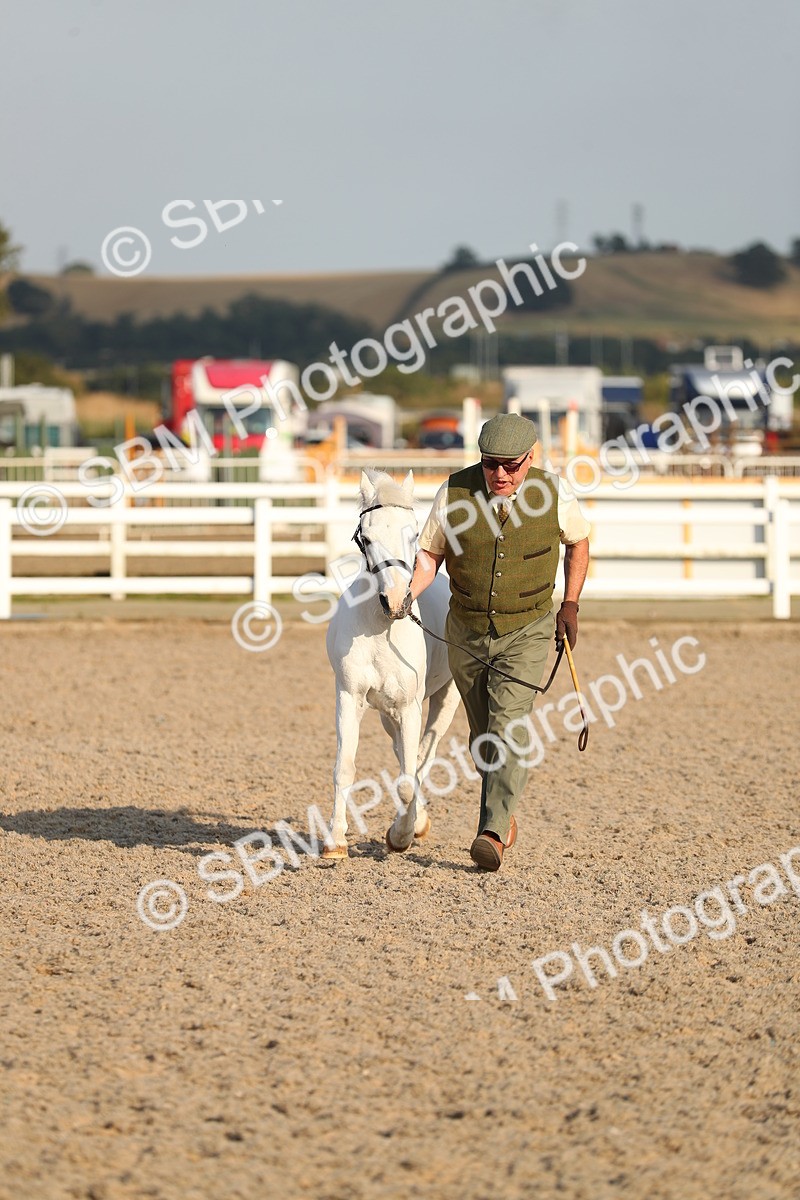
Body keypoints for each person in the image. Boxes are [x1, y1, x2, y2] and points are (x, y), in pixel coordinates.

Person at [399, 413, 590, 872]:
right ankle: (505, 815)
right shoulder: (454, 493)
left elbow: (579, 542)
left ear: (530, 458)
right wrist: (406, 595)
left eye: (510, 465)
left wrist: (570, 604)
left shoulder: (555, 493)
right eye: (490, 464)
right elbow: (430, 554)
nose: (499, 474)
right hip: (465, 630)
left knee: (508, 725)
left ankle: (492, 831)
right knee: (484, 736)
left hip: (527, 628)